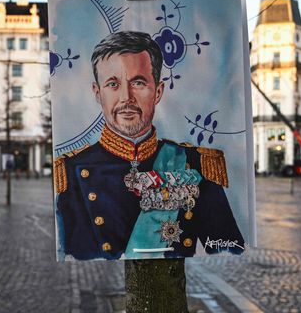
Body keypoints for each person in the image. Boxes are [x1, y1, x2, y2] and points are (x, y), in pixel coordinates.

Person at [54, 31, 245, 260]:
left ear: (158, 91)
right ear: (98, 93)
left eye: (138, 82)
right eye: (113, 84)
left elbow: (227, 249)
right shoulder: (70, 171)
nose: (126, 97)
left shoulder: (196, 164)